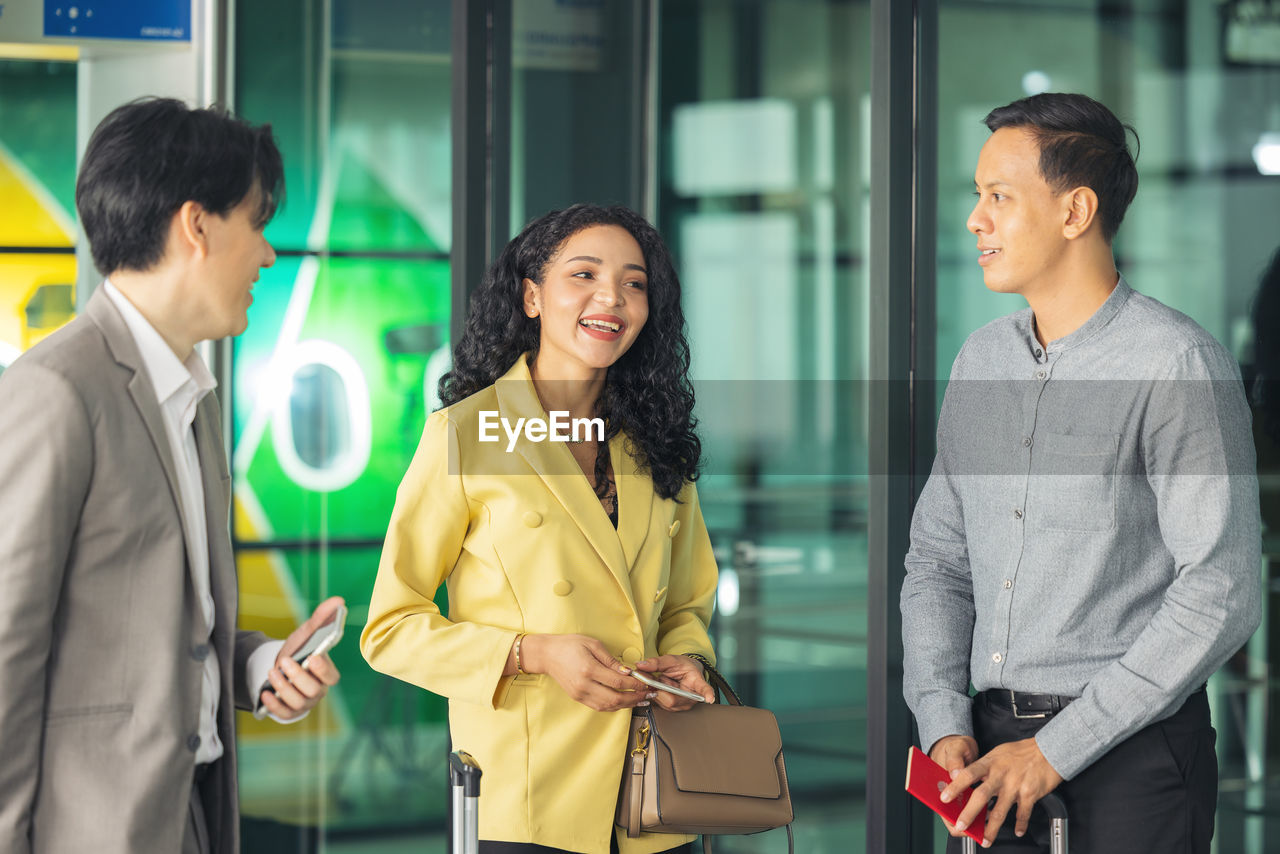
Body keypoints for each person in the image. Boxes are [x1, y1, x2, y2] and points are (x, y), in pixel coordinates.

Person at [901, 92, 1261, 852]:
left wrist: (1056, 750)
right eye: (978, 197)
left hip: (1134, 759)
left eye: (998, 196)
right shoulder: (981, 360)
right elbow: (939, 558)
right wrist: (942, 722)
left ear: (1075, 212)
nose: (976, 219)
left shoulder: (1178, 365)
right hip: (990, 758)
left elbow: (1222, 589)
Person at [0, 97, 343, 854]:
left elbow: (152, 621)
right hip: (85, 831)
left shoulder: (193, 395)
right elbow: (6, 646)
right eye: (256, 224)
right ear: (197, 225)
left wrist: (257, 667)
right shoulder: (57, 390)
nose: (267, 255)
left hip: (187, 815)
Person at [361, 203, 718, 854]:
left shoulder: (656, 442)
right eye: (583, 274)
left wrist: (692, 664)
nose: (611, 296)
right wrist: (531, 653)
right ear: (531, 296)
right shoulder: (464, 435)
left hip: (659, 801)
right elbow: (390, 630)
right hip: (529, 802)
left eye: (634, 283)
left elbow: (689, 602)